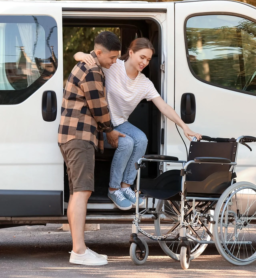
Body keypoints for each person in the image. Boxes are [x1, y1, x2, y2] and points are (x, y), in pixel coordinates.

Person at [74, 37, 202, 211]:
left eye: (148, 60)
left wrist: (185, 127)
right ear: (131, 52)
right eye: (142, 57)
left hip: (119, 123)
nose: (144, 62)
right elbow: (86, 56)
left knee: (141, 139)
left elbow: (164, 106)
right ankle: (113, 189)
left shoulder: (144, 83)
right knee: (126, 143)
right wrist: (81, 54)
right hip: (100, 123)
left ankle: (126, 186)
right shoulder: (113, 66)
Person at [58, 31, 125, 266]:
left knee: (79, 191)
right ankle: (78, 251)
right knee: (82, 192)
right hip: (79, 135)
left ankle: (80, 248)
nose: (114, 61)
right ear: (99, 53)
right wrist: (110, 131)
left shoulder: (88, 64)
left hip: (73, 135)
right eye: (113, 57)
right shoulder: (92, 70)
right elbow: (99, 107)